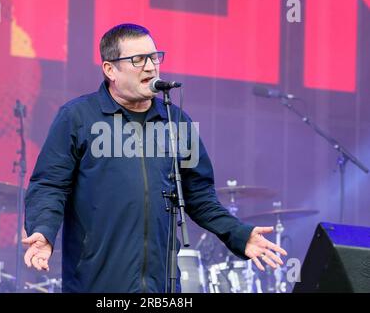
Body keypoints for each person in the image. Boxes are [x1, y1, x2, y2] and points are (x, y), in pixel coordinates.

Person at [22, 23, 287, 293]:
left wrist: (239, 234)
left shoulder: (176, 120)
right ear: (110, 69)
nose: (150, 67)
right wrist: (43, 231)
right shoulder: (78, 117)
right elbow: (50, 184)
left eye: (154, 57)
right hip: (95, 282)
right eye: (137, 60)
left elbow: (199, 196)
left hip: (160, 285)